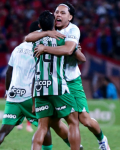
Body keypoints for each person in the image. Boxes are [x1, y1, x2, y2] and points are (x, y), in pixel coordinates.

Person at [25, 2, 110, 150]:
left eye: (63, 13)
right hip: (55, 82)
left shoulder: (72, 30)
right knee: (54, 122)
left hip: (70, 81)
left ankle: (102, 139)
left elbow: (69, 49)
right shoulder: (50, 29)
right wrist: (47, 33)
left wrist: (45, 48)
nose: (58, 14)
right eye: (57, 12)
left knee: (84, 120)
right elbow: (29, 36)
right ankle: (76, 146)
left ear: (70, 17)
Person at [0, 21, 71, 150]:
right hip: (30, 95)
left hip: (13, 95)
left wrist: (7, 90)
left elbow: (9, 71)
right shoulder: (39, 49)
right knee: (43, 126)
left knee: (3, 130)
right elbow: (38, 75)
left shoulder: (17, 48)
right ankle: (74, 146)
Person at [31, 11, 80, 150]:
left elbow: (28, 37)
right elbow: (73, 53)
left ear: (39, 25)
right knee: (73, 121)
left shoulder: (35, 40)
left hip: (40, 87)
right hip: (57, 86)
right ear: (54, 23)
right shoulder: (61, 39)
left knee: (42, 126)